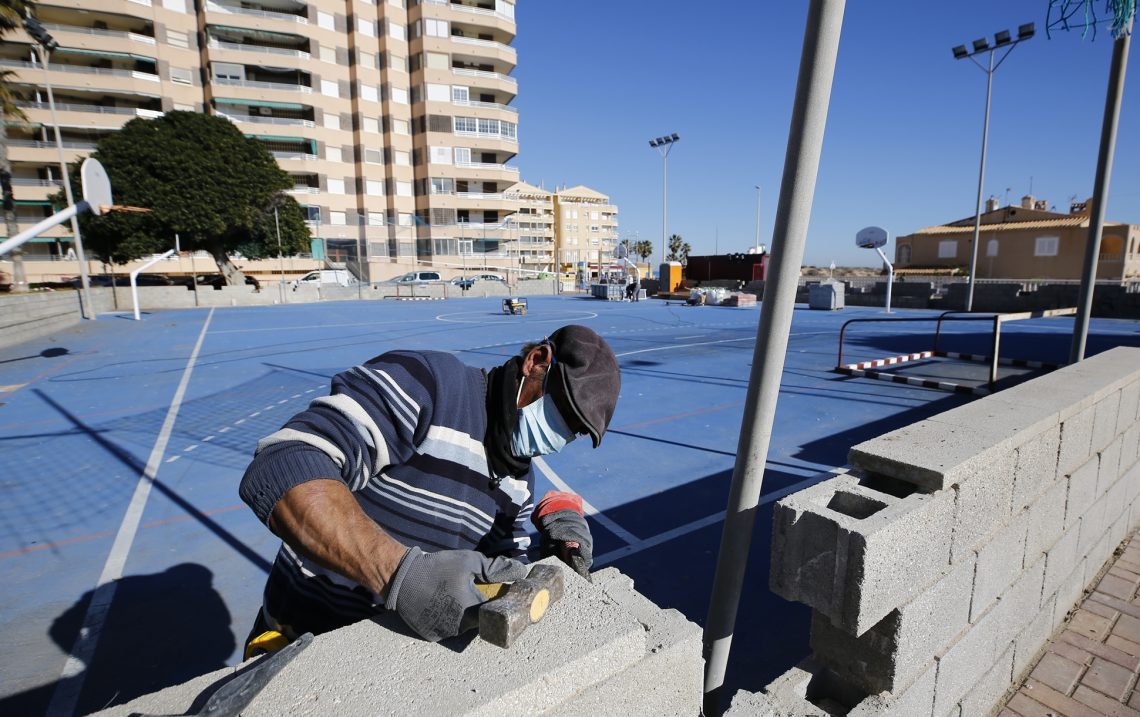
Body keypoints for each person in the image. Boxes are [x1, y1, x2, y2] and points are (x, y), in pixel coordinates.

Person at [238, 324, 621, 647]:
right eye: (561, 413)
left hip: (383, 670)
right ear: (536, 362)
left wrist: (558, 549)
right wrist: (395, 574)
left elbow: (504, 584)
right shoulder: (429, 386)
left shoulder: (519, 483)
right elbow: (284, 462)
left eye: (572, 432)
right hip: (294, 640)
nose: (558, 436)